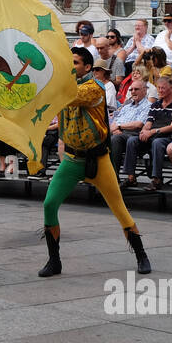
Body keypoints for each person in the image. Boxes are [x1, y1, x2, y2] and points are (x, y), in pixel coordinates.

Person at [37, 47, 151, 278]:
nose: (72, 66)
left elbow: (72, 96)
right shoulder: (67, 89)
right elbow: (63, 126)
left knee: (119, 210)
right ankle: (54, 261)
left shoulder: (94, 88)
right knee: (49, 204)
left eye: (76, 63)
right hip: (72, 159)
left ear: (88, 68)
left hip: (98, 160)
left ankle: (141, 255)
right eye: (70, 62)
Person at [127, 74, 172, 190]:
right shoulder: (155, 105)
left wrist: (152, 132)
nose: (160, 90)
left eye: (163, 88)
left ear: (171, 88)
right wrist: (144, 131)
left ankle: (157, 180)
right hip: (154, 135)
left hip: (171, 137)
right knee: (132, 140)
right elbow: (148, 123)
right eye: (158, 88)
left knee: (157, 143)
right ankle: (131, 178)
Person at [111, 78, 151, 187]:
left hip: (135, 134)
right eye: (131, 89)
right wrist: (116, 129)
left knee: (116, 140)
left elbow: (138, 124)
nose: (133, 92)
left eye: (136, 89)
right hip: (120, 133)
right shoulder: (126, 107)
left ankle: (120, 177)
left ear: (144, 91)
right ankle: (104, 176)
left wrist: (119, 126)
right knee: (102, 137)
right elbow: (114, 122)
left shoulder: (148, 106)